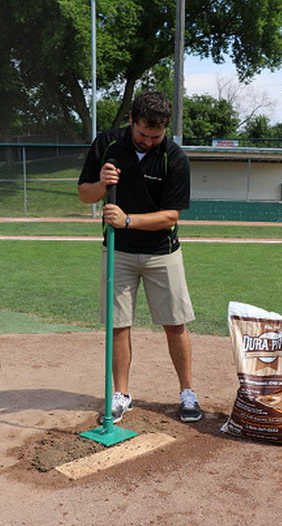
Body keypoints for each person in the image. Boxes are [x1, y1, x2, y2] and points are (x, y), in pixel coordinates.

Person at [77, 90, 202, 424]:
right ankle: (121, 394)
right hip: (118, 250)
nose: (148, 141)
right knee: (118, 325)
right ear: (131, 121)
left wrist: (128, 220)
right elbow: (83, 194)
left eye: (156, 136)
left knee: (175, 324)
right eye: (143, 134)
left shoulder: (174, 157)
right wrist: (102, 186)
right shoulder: (107, 144)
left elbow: (171, 216)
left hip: (162, 252)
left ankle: (187, 393)